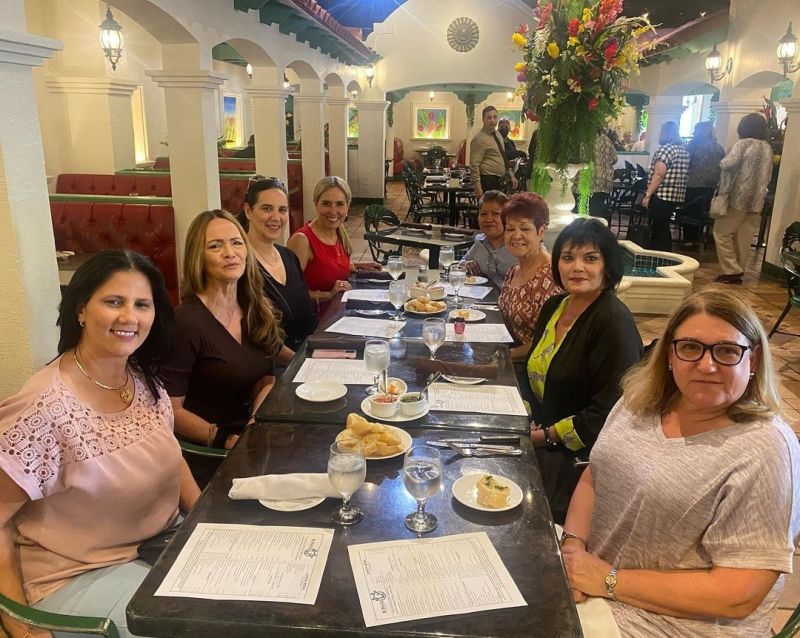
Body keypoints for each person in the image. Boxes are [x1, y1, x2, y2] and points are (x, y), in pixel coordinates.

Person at [561, 287, 800, 637]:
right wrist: (572, 547)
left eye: (727, 351)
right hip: (599, 586)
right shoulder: (637, 403)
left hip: (676, 625)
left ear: (755, 360)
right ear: (670, 353)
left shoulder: (765, 449)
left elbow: (737, 595)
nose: (707, 364)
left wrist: (607, 580)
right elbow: (596, 477)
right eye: (690, 347)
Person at [0, 250, 199, 638]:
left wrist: (206, 520)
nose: (130, 317)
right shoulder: (43, 409)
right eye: (113, 302)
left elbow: (172, 461)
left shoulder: (142, 380)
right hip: (77, 574)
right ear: (80, 309)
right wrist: (20, 625)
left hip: (161, 547)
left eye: (142, 304)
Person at [526, 218, 642, 522]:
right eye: (568, 258)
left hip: (582, 464)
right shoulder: (556, 306)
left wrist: (544, 437)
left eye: (590, 258)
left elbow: (611, 411)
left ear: (608, 266)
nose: (577, 267)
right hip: (543, 441)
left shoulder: (613, 322)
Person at [162, 210, 284, 463]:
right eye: (215, 246)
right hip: (209, 452)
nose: (230, 253)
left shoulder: (254, 306)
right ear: (199, 257)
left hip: (251, 438)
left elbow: (267, 378)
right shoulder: (185, 321)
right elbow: (171, 410)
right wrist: (224, 439)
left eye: (237, 243)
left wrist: (254, 424)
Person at [243, 177, 317, 358]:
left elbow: (307, 314)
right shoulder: (242, 265)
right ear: (248, 211)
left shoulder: (288, 256)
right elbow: (259, 337)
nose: (276, 218)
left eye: (282, 210)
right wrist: (301, 363)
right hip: (273, 367)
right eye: (267, 208)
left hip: (308, 354)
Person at [287, 176, 380, 316]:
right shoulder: (302, 240)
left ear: (347, 206)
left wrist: (356, 265)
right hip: (314, 323)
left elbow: (325, 267)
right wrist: (327, 295)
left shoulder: (338, 232)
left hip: (339, 313)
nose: (333, 211)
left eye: (340, 204)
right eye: (326, 203)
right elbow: (288, 291)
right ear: (315, 203)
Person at [497, 192, 561, 361]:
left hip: (531, 370)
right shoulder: (514, 271)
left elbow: (549, 340)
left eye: (525, 228)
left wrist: (504, 357)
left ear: (541, 231)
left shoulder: (551, 277)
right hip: (509, 355)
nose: (516, 235)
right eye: (510, 229)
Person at [712, 113, 774, 285]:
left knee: (721, 232)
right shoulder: (767, 148)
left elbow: (727, 164)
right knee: (744, 236)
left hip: (737, 197)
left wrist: (728, 153)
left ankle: (732, 270)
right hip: (757, 200)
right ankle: (739, 270)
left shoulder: (743, 144)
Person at [642, 121, 690, 251]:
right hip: (675, 194)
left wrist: (648, 194)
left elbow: (659, 173)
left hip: (662, 194)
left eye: (661, 132)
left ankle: (659, 253)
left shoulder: (666, 149)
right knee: (664, 224)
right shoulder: (683, 150)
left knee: (659, 226)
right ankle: (664, 252)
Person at [459, 190, 517, 288]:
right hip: (481, 299)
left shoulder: (517, 245)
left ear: (507, 217)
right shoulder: (480, 242)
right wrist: (465, 264)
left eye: (495, 213)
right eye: (483, 214)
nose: (488, 219)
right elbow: (461, 263)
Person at [469, 105, 517, 198]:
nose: (492, 120)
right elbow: (474, 165)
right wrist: (478, 188)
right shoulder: (479, 139)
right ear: (483, 119)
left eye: (495, 117)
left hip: (500, 180)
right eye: (489, 118)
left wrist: (511, 174)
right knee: (489, 210)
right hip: (487, 180)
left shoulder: (498, 134)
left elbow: (502, 156)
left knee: (498, 210)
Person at [686, 121, 725, 207]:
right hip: (712, 186)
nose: (693, 133)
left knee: (689, 211)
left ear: (699, 132)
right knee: (704, 210)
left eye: (695, 130)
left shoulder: (694, 145)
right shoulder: (719, 148)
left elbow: (686, 161)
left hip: (693, 185)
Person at [588, 129, 618, 222]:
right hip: (604, 182)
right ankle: (596, 234)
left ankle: (586, 235)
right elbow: (614, 159)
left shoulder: (585, 139)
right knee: (596, 215)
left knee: (583, 216)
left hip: (588, 183)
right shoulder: (607, 139)